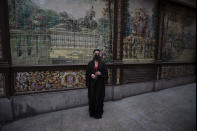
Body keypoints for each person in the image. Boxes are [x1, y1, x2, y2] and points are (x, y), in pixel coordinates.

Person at [86, 49, 108, 119]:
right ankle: (92, 112)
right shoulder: (90, 63)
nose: (97, 55)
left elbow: (106, 74)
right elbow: (87, 73)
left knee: (98, 98)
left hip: (100, 85)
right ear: (93, 54)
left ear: (100, 54)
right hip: (92, 85)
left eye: (98, 53)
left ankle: (98, 112)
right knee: (92, 97)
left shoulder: (103, 63)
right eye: (95, 53)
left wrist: (100, 73)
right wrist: (91, 75)